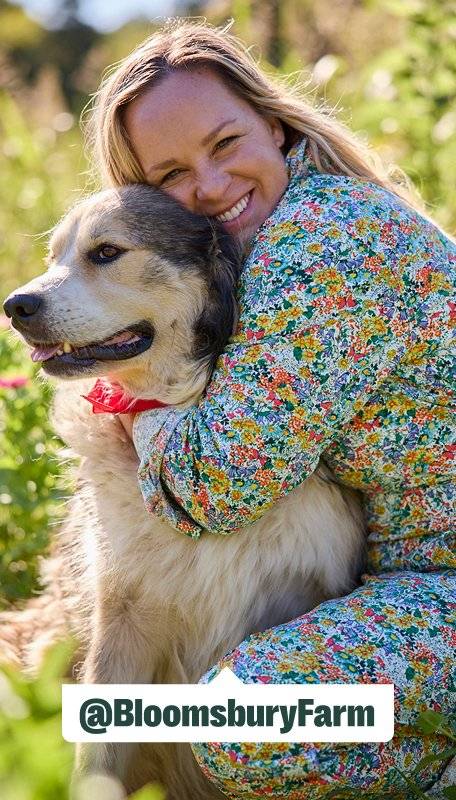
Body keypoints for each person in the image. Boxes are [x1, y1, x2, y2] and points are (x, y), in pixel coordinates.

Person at [86, 20, 455, 799]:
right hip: (414, 593)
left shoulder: (324, 246)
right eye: (172, 174)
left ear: (275, 123)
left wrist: (133, 407)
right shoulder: (286, 235)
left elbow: (216, 486)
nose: (211, 186)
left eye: (226, 144)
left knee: (241, 718)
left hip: (442, 594)